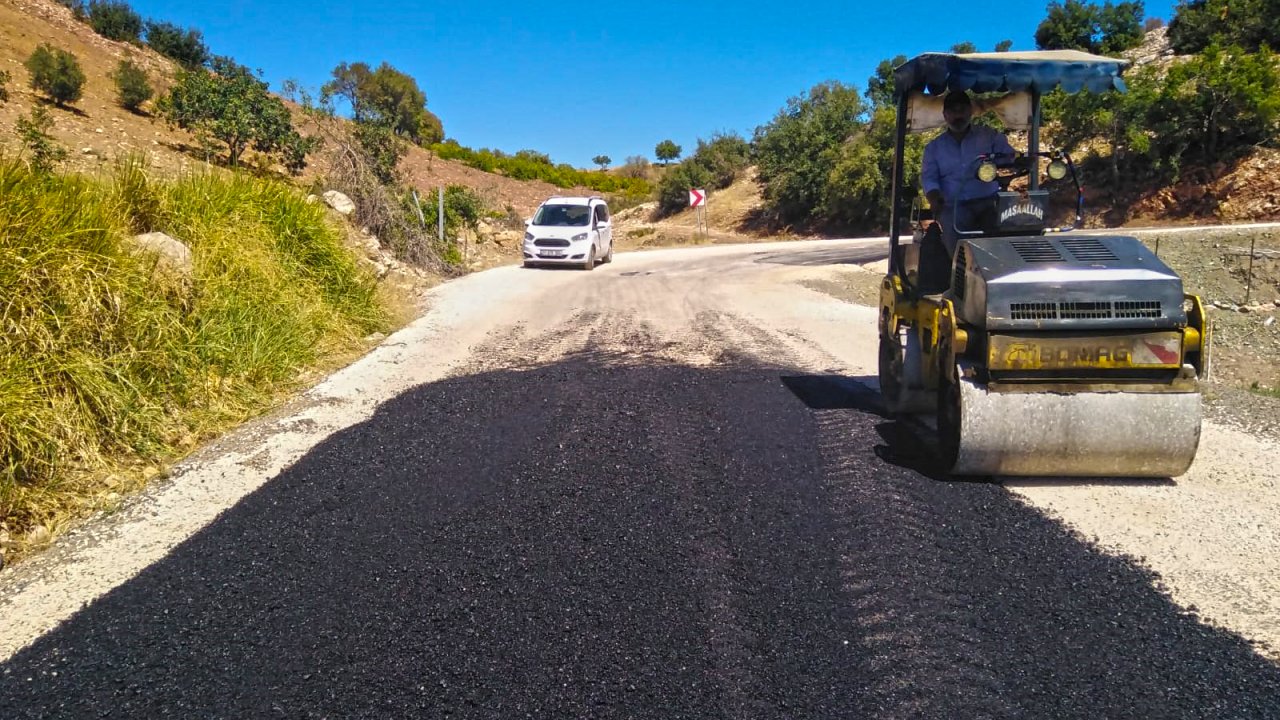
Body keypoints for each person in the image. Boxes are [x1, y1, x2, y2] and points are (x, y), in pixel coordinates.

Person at [921, 91, 1015, 254]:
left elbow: (1008, 158)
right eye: (953, 111)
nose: (958, 115)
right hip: (954, 206)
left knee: (1007, 229)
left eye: (962, 110)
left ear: (970, 111)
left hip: (989, 202)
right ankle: (958, 272)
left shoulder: (990, 136)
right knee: (953, 233)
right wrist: (934, 197)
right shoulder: (934, 148)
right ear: (945, 115)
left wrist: (1021, 161)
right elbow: (929, 178)